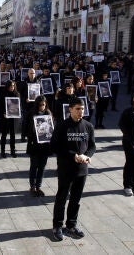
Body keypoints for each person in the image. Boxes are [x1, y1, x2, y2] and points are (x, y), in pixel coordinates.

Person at [51, 98, 95, 241]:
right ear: (70, 109)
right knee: (62, 198)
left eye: (82, 109)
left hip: (82, 169)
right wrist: (73, 156)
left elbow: (92, 146)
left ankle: (71, 225)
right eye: (77, 109)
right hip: (66, 168)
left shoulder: (88, 126)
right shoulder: (62, 126)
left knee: (76, 199)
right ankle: (57, 226)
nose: (80, 111)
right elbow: (55, 146)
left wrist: (87, 156)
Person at [25, 95, 53, 197]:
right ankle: (32, 186)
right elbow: (26, 127)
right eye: (40, 105)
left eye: (44, 105)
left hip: (45, 145)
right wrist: (32, 132)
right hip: (34, 145)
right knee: (34, 166)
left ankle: (38, 186)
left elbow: (51, 129)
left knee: (42, 167)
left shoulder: (48, 114)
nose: (42, 107)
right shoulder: (31, 114)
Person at [0, 80, 20, 158]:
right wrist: (2, 114)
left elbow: (19, 105)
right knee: (4, 135)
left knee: (13, 135)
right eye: (10, 86)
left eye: (13, 86)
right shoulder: (2, 94)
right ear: (7, 86)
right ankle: (2, 151)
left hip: (13, 118)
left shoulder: (17, 94)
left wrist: (17, 112)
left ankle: (12, 151)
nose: (12, 88)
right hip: (5, 118)